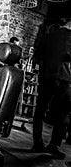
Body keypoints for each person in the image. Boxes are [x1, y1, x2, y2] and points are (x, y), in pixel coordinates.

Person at [32, 18, 71, 159]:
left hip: (46, 77)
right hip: (64, 79)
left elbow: (37, 56)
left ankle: (37, 143)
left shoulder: (49, 36)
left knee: (40, 111)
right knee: (63, 115)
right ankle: (54, 145)